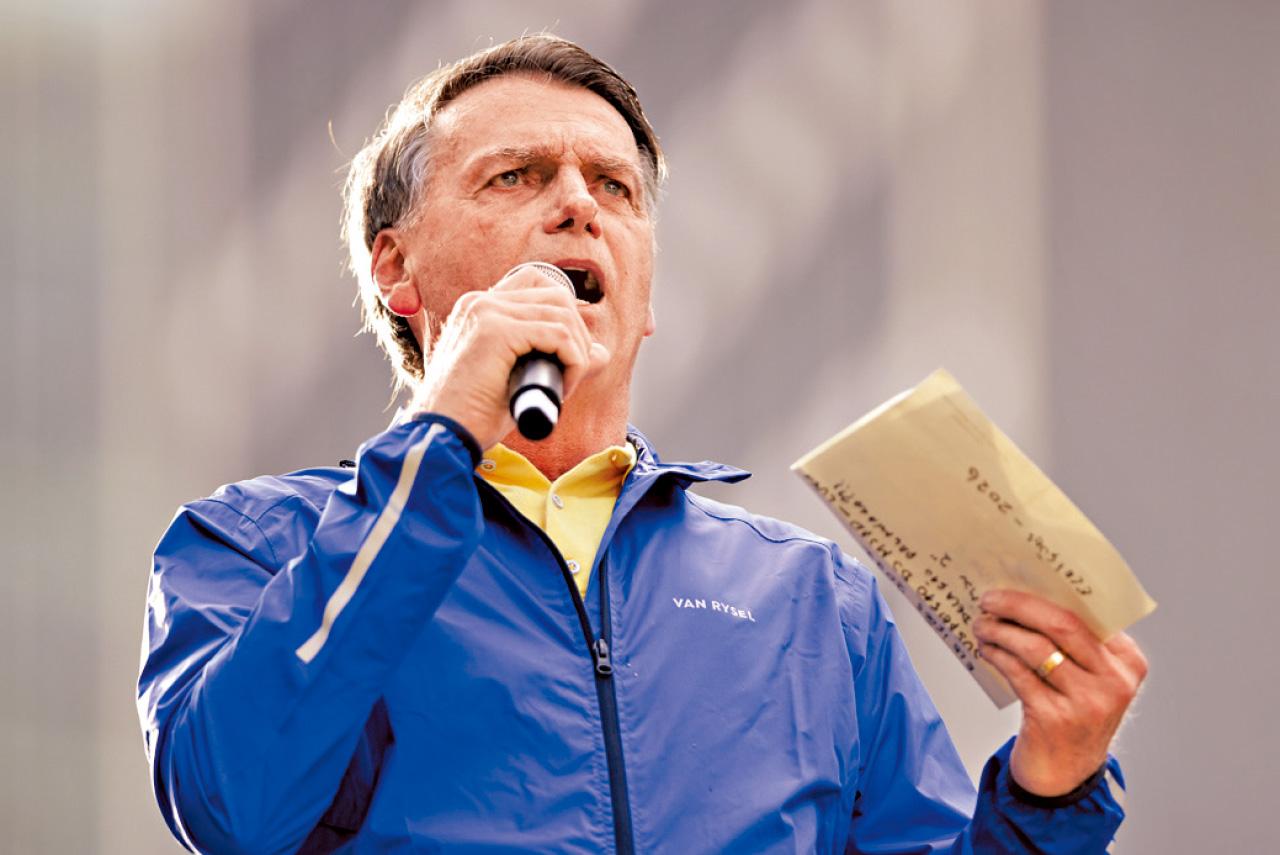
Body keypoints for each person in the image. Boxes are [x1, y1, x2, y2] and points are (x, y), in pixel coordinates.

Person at [138, 34, 1148, 854]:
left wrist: (1051, 789)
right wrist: (442, 436)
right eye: (516, 176)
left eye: (613, 187)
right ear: (396, 270)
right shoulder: (255, 544)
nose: (578, 204)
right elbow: (231, 807)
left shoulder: (810, 600)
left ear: (647, 293)